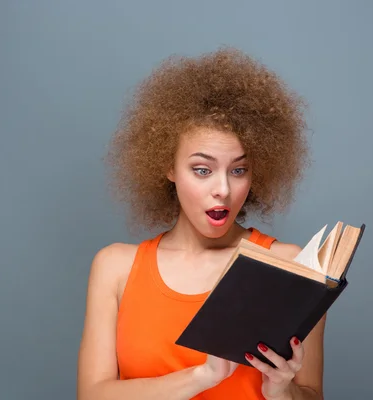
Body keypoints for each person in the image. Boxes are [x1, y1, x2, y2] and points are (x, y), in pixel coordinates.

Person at [77, 47, 326, 400]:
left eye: (238, 170)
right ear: (168, 168)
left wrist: (282, 391)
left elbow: (312, 395)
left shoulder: (288, 266)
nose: (222, 189)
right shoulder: (116, 268)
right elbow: (92, 396)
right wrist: (202, 376)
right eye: (202, 170)